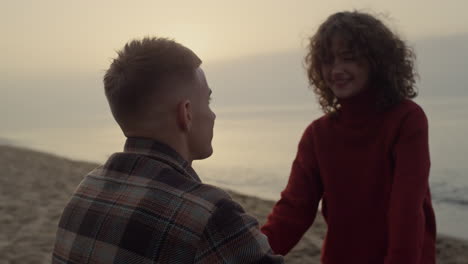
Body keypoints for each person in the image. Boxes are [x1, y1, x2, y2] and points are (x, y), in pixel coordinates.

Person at [52, 37, 283, 264]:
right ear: (187, 113)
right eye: (209, 101)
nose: (213, 115)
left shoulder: (85, 191)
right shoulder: (210, 216)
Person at [261, 11, 436, 264]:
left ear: (377, 61)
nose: (336, 70)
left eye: (348, 59)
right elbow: (293, 211)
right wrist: (248, 254)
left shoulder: (407, 119)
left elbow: (406, 210)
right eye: (328, 61)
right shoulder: (317, 135)